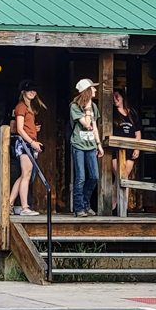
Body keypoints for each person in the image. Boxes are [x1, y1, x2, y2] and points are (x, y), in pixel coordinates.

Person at [9, 79, 46, 216]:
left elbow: (24, 126)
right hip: (25, 143)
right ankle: (25, 207)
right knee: (26, 175)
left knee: (25, 175)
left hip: (29, 142)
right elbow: (19, 129)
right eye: (30, 90)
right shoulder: (21, 107)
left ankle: (9, 203)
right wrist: (32, 142)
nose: (32, 92)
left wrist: (33, 129)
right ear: (23, 92)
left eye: (34, 90)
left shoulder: (30, 108)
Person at [70, 79, 104, 216]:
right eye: (93, 89)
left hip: (90, 145)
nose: (95, 91)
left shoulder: (94, 107)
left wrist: (99, 144)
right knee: (80, 177)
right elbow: (86, 123)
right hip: (78, 144)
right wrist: (88, 107)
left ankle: (85, 203)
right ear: (87, 91)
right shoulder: (74, 106)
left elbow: (94, 126)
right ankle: (79, 208)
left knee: (95, 176)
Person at [110, 90, 142, 182]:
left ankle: (120, 197)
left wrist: (137, 148)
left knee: (125, 178)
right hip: (116, 149)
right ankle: (117, 197)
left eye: (116, 96)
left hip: (130, 148)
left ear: (122, 96)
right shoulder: (112, 114)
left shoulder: (132, 113)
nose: (115, 99)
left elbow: (138, 133)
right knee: (120, 176)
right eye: (112, 97)